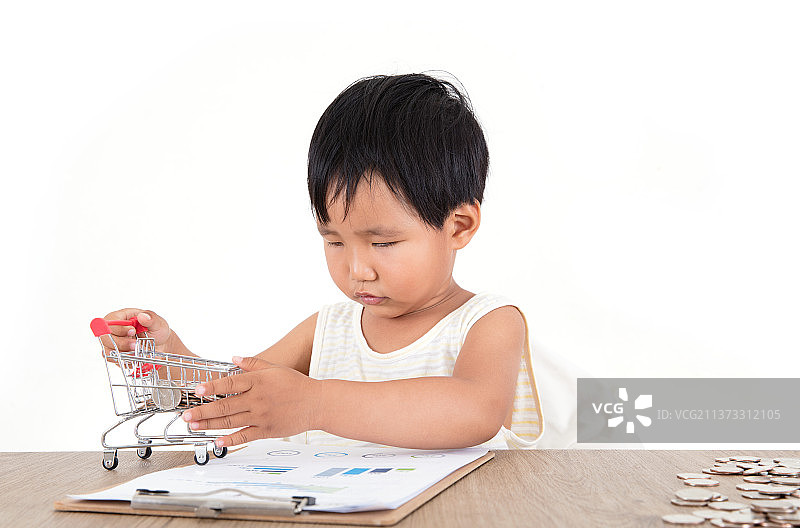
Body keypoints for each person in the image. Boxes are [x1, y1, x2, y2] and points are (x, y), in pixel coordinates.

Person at [101, 73, 544, 450]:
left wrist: (313, 403)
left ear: (459, 226)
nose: (357, 270)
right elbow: (239, 396)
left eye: (383, 243)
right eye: (334, 241)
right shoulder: (327, 330)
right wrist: (168, 357)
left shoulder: (488, 322)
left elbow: (474, 411)